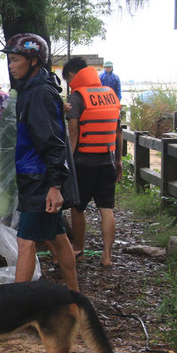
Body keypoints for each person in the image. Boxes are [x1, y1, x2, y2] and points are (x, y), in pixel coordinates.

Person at [4, 33, 80, 292]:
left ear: (34, 60)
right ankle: (74, 295)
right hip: (34, 177)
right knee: (58, 238)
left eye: (15, 60)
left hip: (40, 179)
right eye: (10, 60)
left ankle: (15, 307)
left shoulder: (38, 93)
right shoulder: (32, 89)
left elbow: (52, 141)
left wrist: (55, 185)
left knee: (26, 241)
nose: (11, 66)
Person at [61, 58, 123, 268]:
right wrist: (119, 160)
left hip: (83, 161)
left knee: (78, 208)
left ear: (71, 76)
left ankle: (79, 249)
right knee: (106, 208)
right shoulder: (111, 94)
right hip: (107, 159)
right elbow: (118, 132)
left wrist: (67, 160)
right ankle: (106, 256)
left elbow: (73, 131)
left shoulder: (77, 97)